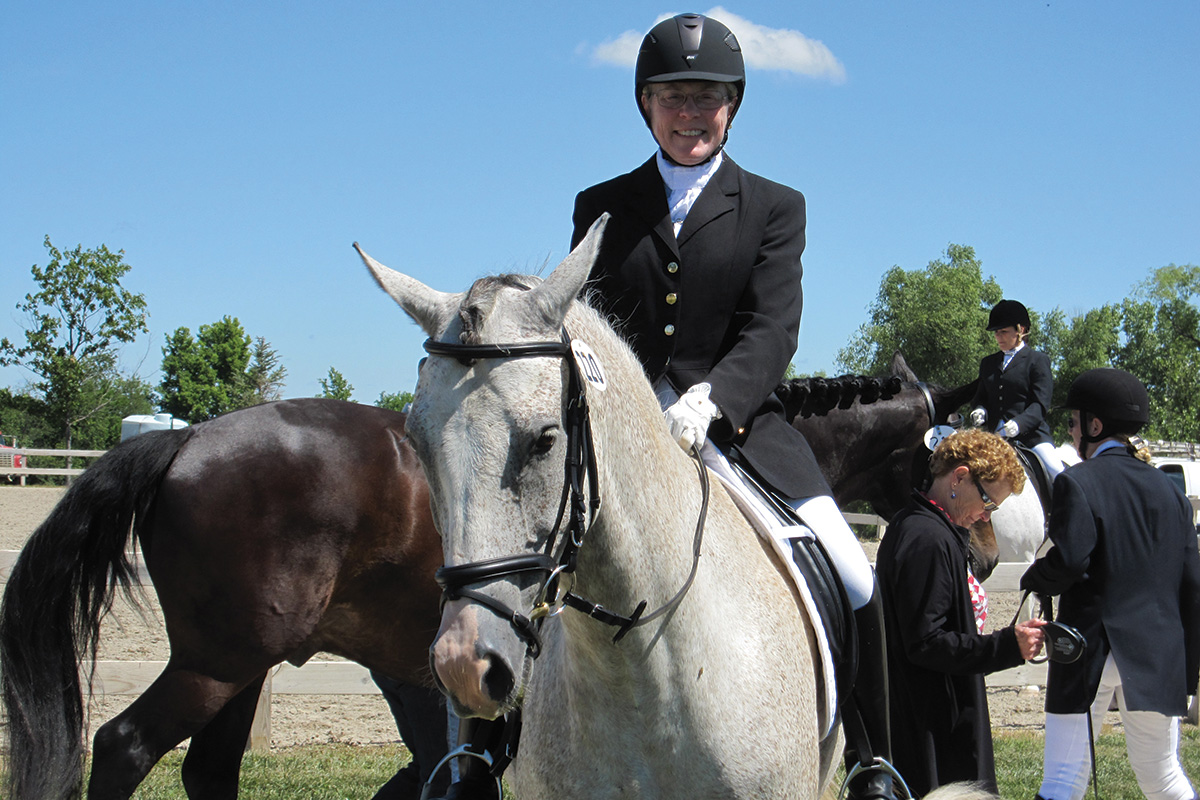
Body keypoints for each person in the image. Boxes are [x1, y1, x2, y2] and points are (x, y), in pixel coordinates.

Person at [431, 12, 894, 800]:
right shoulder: (604, 202)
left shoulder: (776, 206)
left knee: (853, 573)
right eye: (674, 96)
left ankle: (871, 761)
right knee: (523, 559)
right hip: (620, 428)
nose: (691, 112)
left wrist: (717, 398)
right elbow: (581, 320)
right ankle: (480, 750)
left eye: (708, 98)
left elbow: (773, 326)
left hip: (741, 426)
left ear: (732, 107)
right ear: (646, 105)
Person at [1020, 368, 1200, 800]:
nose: (1070, 431)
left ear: (1095, 426)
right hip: (1157, 654)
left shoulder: (1078, 481)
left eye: (1074, 422)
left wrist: (1035, 575)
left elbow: (1071, 560)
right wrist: (1187, 672)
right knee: (1163, 777)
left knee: (1062, 781)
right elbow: (1192, 583)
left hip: (1090, 648)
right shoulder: (1171, 492)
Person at [877, 428, 1046, 797]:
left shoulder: (933, 530)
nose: (986, 516)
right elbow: (926, 643)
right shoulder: (927, 539)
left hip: (936, 719)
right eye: (987, 501)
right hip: (932, 731)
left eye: (993, 508)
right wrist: (1006, 646)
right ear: (959, 477)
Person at [969, 299, 1065, 480]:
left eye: (1004, 332)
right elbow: (980, 396)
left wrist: (1018, 424)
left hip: (1031, 437)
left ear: (1020, 330)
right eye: (996, 333)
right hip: (994, 437)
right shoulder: (988, 363)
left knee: (1057, 473)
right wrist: (980, 409)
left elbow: (1040, 404)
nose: (998, 337)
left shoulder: (1037, 360)